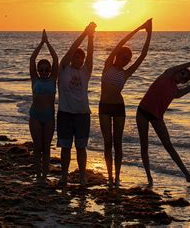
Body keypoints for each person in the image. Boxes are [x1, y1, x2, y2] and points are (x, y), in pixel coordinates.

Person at [136, 57, 190, 187]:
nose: (182, 74)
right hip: (142, 112)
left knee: (169, 146)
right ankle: (149, 179)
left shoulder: (177, 92)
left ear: (183, 81)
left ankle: (188, 177)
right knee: (144, 146)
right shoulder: (167, 74)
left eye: (184, 76)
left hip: (157, 117)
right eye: (182, 71)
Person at [99, 18, 152, 186]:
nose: (126, 59)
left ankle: (117, 177)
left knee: (118, 143)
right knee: (108, 143)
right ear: (117, 56)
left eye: (128, 58)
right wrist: (138, 28)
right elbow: (121, 42)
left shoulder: (126, 73)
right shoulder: (108, 65)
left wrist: (149, 34)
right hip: (104, 107)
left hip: (119, 108)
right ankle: (109, 176)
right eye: (124, 56)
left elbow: (143, 55)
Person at [57, 22, 96, 186]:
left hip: (82, 115)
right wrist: (84, 33)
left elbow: (91, 53)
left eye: (82, 58)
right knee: (65, 148)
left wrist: (91, 37)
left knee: (81, 147)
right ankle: (64, 176)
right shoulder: (63, 69)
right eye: (77, 57)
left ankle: (81, 177)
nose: (80, 60)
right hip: (65, 114)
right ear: (72, 57)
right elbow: (72, 49)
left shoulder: (85, 72)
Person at [29, 30, 58, 183]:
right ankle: (38, 175)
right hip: (35, 116)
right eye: (42, 70)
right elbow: (32, 59)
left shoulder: (53, 78)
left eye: (47, 70)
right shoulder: (34, 79)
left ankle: (45, 175)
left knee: (46, 148)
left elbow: (55, 59)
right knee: (37, 147)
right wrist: (41, 43)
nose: (44, 72)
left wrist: (48, 43)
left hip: (49, 118)